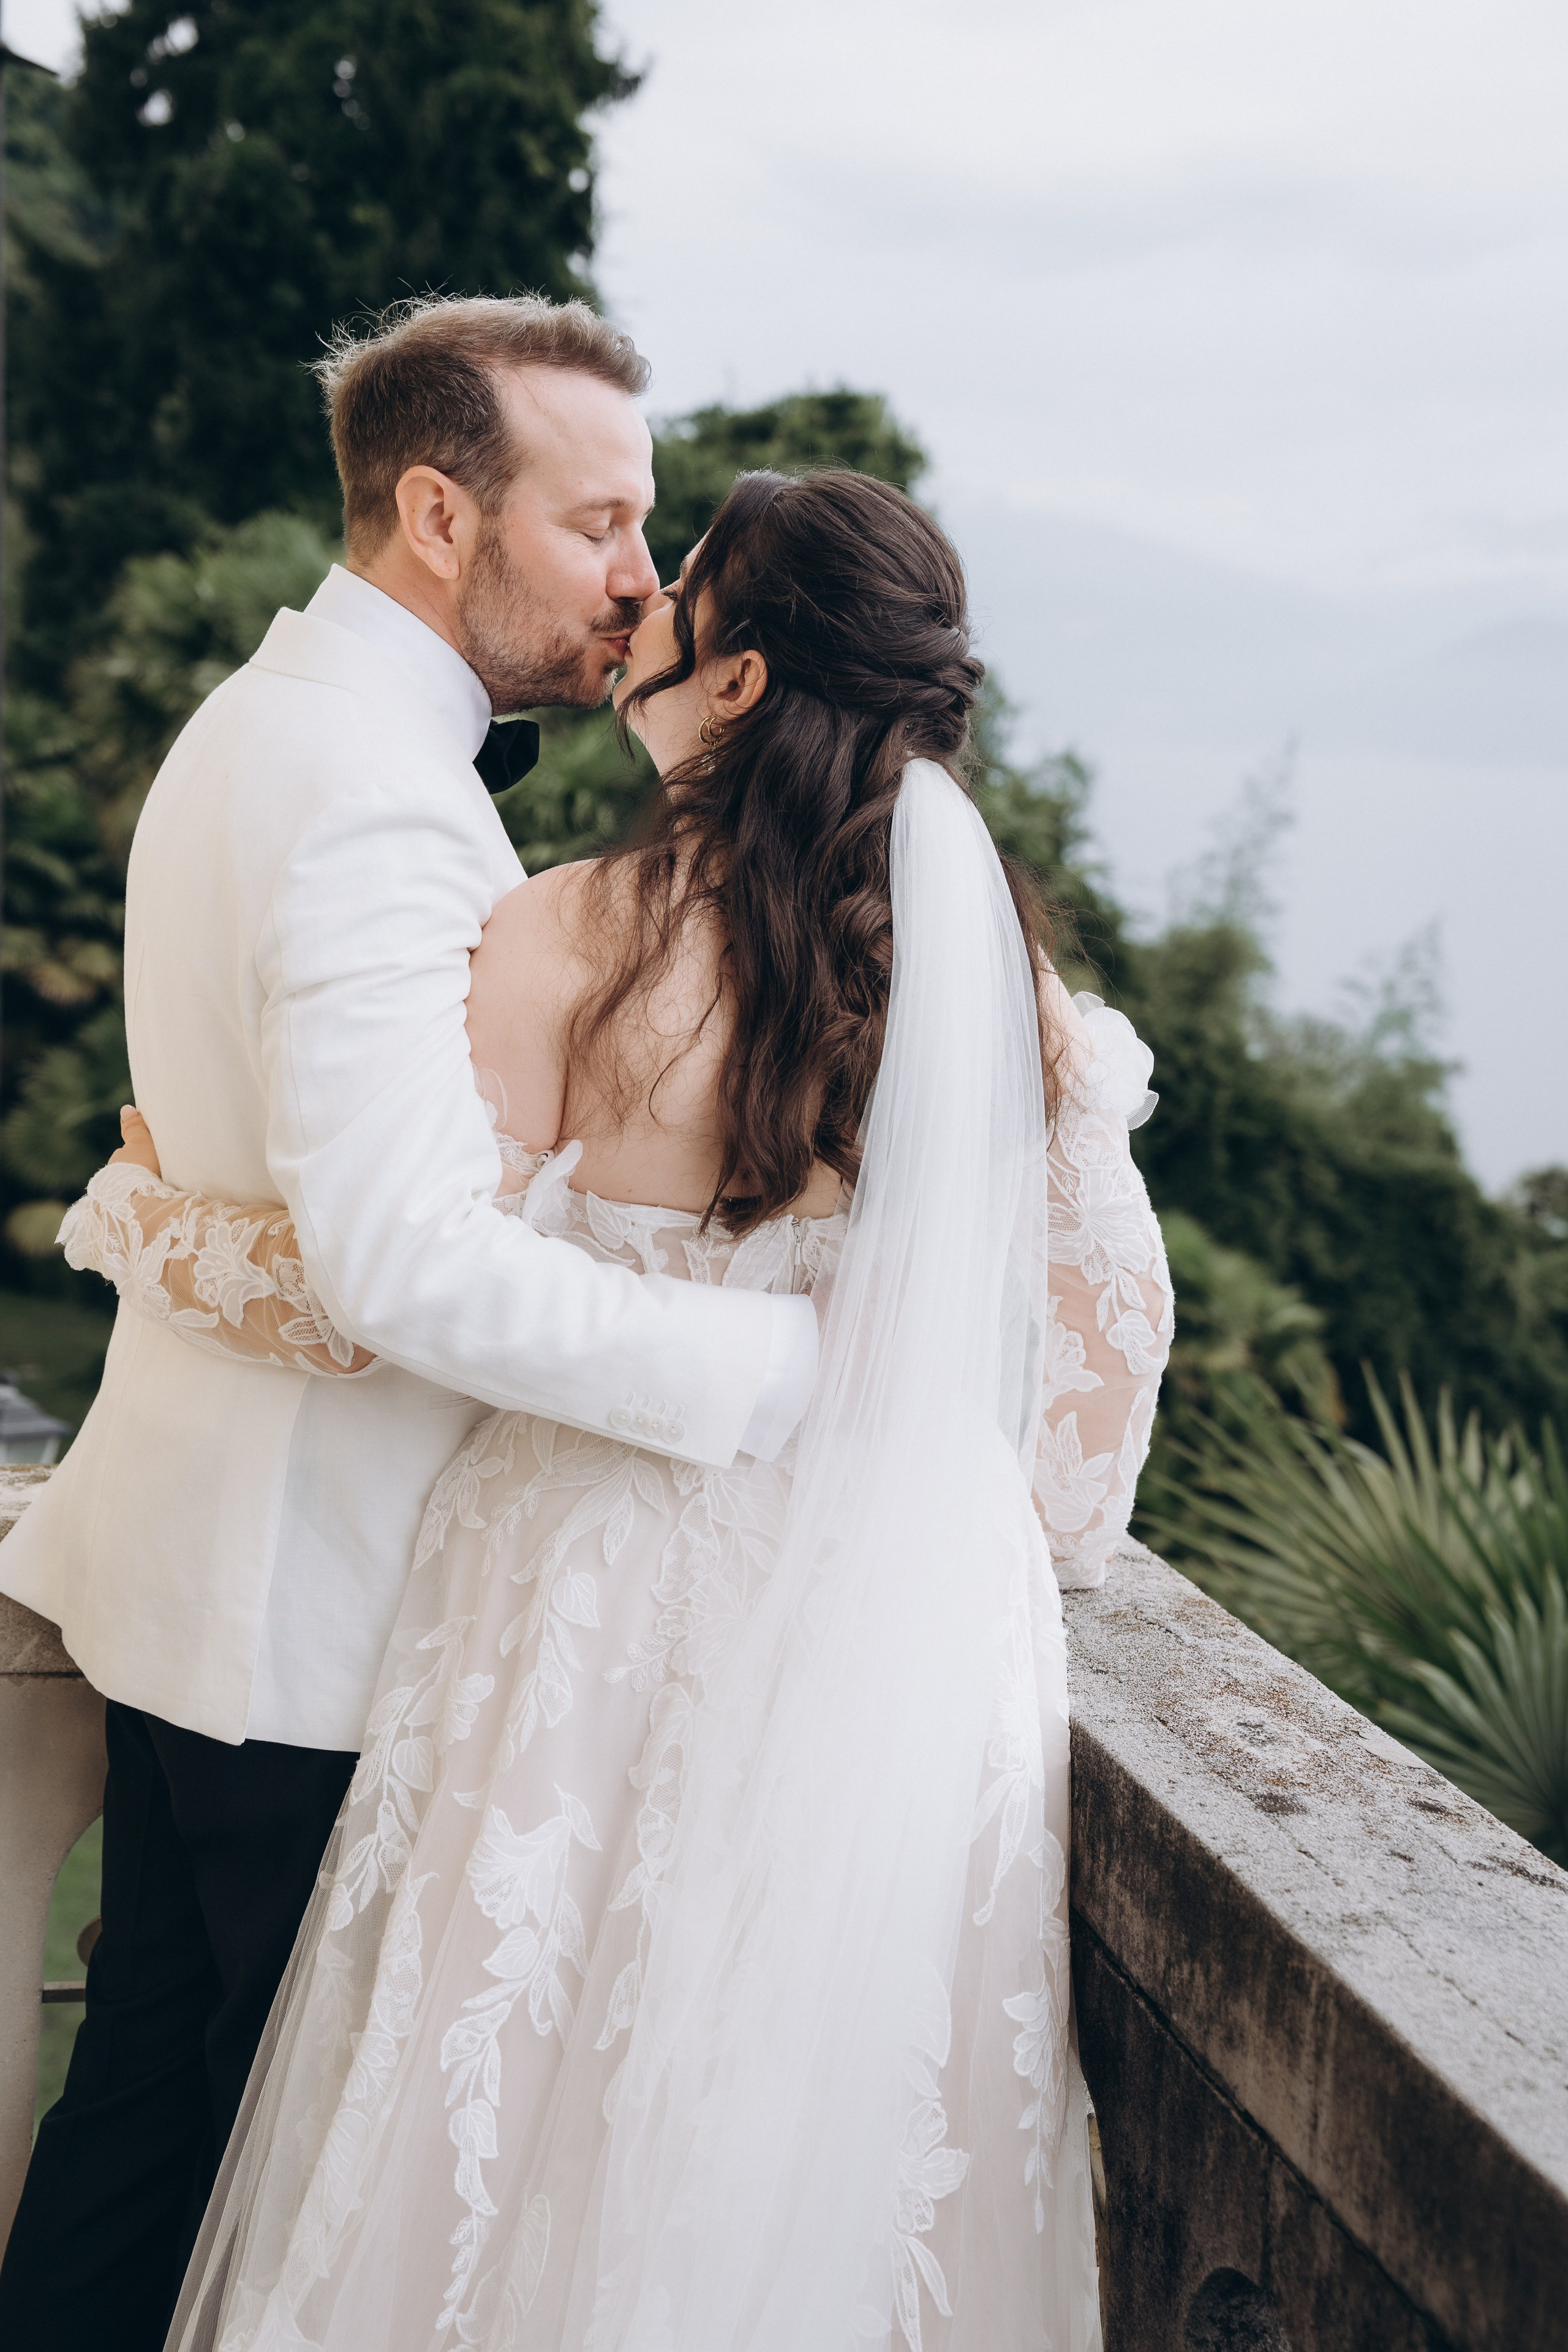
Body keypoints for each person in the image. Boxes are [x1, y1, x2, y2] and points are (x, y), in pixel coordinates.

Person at [58, 467, 1170, 2348]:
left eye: (680, 602)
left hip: (586, 1583)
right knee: (802, 2115)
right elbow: (1102, 1357)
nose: (637, 616)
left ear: (731, 684)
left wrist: (146, 1220)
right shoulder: (1011, 994)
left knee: (494, 2104)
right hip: (900, 1621)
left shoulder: (571, 937)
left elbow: (391, 1287)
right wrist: (963, 1526)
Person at [0, 296, 821, 2352]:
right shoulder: (378, 795)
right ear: (442, 513)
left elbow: (259, 1192)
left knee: (148, 2143)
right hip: (315, 1617)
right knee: (280, 2215)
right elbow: (407, 1262)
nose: (647, 577)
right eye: (605, 521)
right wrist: (771, 1367)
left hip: (208, 1580)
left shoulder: (262, 720)